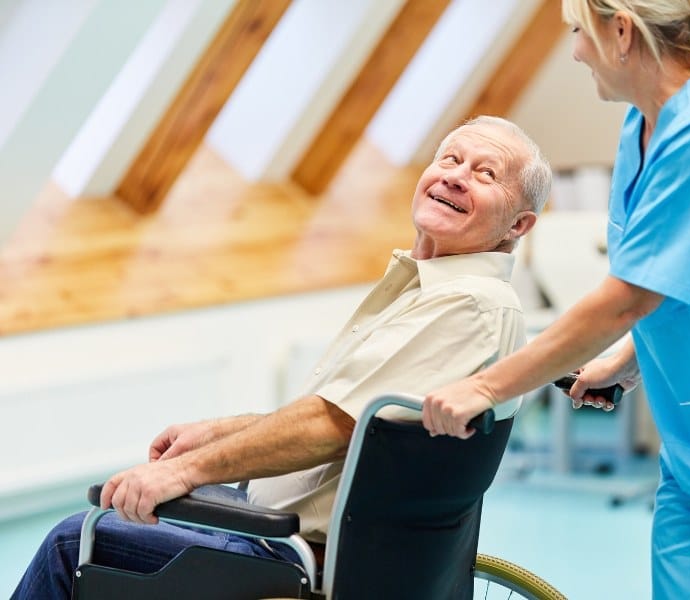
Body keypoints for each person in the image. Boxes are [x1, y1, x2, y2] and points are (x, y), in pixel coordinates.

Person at [422, 3, 690, 599]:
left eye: (580, 33)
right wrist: (629, 357)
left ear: (621, 32)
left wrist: (486, 386)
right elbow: (677, 272)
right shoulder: (643, 124)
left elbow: (627, 297)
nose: (576, 51)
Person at [12, 115, 552, 599]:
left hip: (289, 556)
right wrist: (217, 433)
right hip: (292, 531)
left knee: (73, 541)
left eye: (486, 174)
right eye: (450, 159)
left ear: (518, 225)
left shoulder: (467, 305)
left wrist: (184, 471)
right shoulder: (436, 293)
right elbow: (349, 415)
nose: (456, 176)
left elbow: (332, 423)